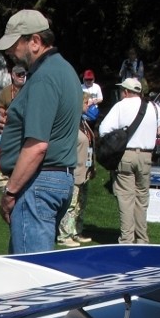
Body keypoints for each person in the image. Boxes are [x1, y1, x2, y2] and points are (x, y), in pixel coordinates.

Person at [0, 9, 82, 254]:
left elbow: (38, 145)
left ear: (35, 41)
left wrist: (10, 193)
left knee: (30, 276)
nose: (9, 52)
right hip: (56, 179)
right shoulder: (63, 70)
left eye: (14, 44)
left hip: (38, 183)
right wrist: (11, 123)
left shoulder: (44, 77)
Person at [99, 77, 160, 244]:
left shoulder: (121, 106)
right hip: (146, 156)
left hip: (126, 155)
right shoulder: (154, 107)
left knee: (125, 198)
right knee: (142, 198)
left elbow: (103, 130)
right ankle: (142, 238)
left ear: (127, 91)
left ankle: (127, 238)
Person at [57, 94, 96, 246]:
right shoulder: (69, 123)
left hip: (85, 171)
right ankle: (64, 235)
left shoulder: (83, 122)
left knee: (81, 203)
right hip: (74, 170)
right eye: (86, 102)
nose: (89, 104)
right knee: (71, 204)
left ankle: (76, 232)